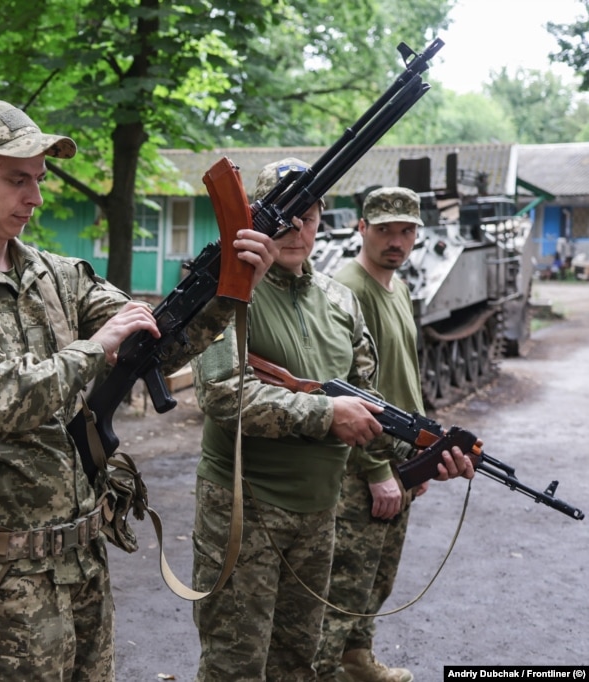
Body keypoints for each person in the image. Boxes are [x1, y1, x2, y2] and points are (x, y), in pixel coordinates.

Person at [0, 99, 277, 681]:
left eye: (39, 181)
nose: (35, 198)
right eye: (18, 180)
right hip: (6, 572)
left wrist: (228, 288)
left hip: (83, 553)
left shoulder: (55, 273)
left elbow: (156, 343)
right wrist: (96, 347)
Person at [189, 161, 472, 682]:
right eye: (285, 216)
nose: (296, 230)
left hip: (320, 512)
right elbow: (223, 394)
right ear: (256, 218)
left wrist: (426, 455)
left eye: (309, 216)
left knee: (300, 662)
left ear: (322, 221)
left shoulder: (340, 301)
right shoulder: (225, 291)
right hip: (244, 509)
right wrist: (325, 414)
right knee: (236, 663)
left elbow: (369, 401)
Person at [316, 187, 475, 682]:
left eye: (406, 230)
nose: (396, 240)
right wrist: (380, 469)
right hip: (362, 460)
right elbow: (344, 391)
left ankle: (356, 659)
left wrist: (423, 453)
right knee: (346, 580)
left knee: (377, 573)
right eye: (385, 229)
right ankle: (325, 669)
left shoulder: (397, 287)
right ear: (361, 228)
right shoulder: (348, 288)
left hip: (398, 452)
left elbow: (404, 375)